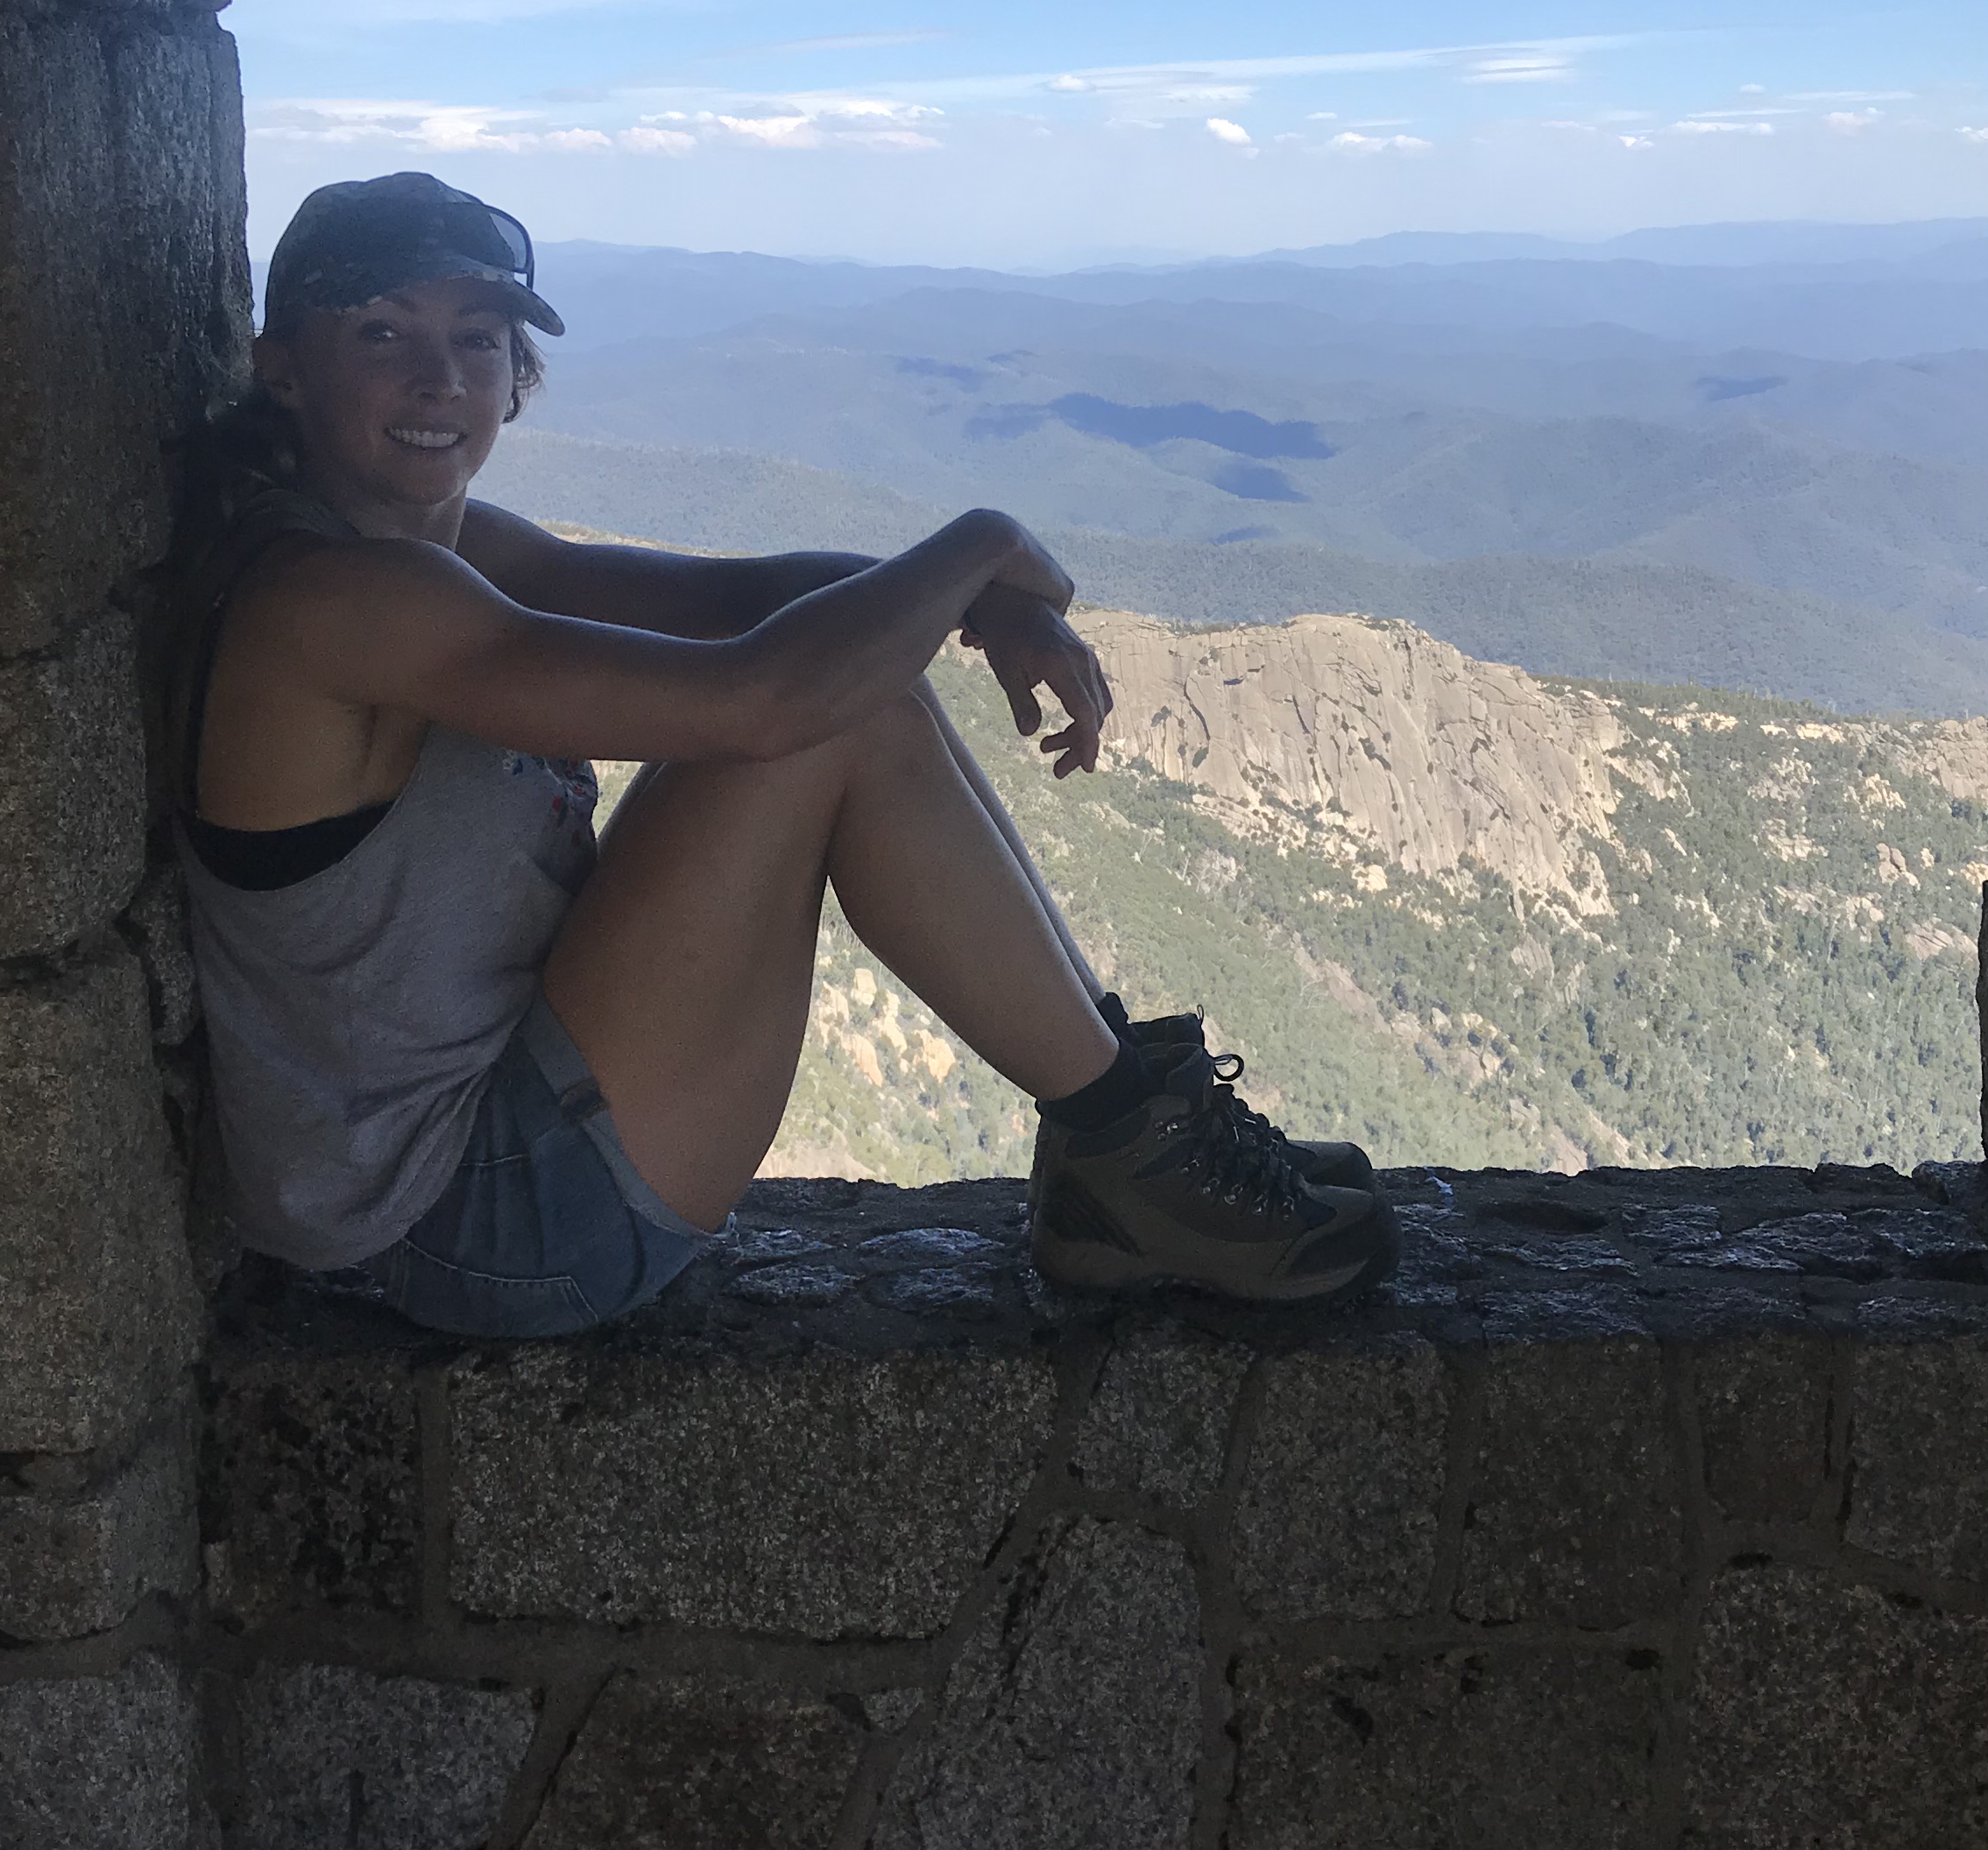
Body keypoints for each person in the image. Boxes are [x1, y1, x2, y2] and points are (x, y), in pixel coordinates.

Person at [163, 169, 1395, 1338]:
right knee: (833, 713)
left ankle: (1121, 1125)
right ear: (284, 369)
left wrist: (975, 602)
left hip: (478, 1137)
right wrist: (982, 544)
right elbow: (766, 699)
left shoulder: (452, 547)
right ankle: (1129, 1148)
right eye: (382, 333)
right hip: (466, 1226)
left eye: (478, 339)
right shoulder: (331, 601)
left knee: (854, 681)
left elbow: (747, 597)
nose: (439, 378)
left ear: (515, 374)